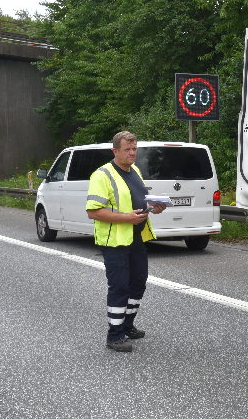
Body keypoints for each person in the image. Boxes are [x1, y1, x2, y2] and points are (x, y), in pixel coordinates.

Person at [86, 131, 166, 352]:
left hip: (136, 237)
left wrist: (154, 208)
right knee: (120, 286)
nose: (132, 153)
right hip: (114, 240)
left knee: (138, 282)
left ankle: (128, 325)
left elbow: (138, 203)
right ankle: (114, 336)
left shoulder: (135, 171)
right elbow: (93, 212)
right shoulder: (101, 175)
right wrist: (126, 218)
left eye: (134, 149)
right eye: (127, 150)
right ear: (115, 151)